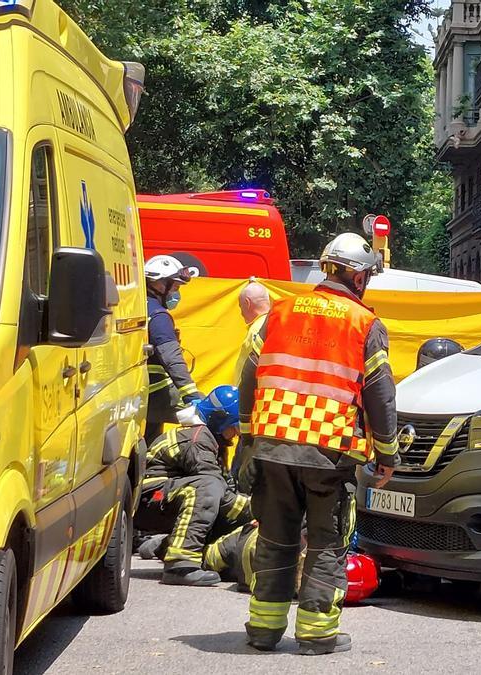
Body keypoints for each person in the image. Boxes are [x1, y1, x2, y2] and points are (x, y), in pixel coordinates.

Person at [243, 232, 399, 655]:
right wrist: (387, 454)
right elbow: (380, 393)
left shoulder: (279, 311)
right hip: (328, 453)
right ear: (358, 276)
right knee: (327, 543)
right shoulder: (363, 322)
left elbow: (248, 376)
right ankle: (315, 634)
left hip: (273, 445)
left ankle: (263, 629)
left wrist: (246, 438)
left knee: (276, 538)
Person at [136, 385, 253, 586]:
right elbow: (216, 492)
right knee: (207, 489)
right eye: (234, 426)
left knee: (220, 507)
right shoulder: (198, 440)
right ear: (220, 420)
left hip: (165, 499)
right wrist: (258, 508)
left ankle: (164, 546)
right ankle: (180, 564)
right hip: (149, 500)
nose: (236, 434)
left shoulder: (211, 440)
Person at [145, 254, 203, 441]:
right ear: (159, 284)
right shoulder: (158, 316)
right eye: (175, 287)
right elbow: (172, 360)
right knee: (210, 415)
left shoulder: (138, 307)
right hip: (156, 392)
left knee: (149, 436)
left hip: (141, 391)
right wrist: (191, 395)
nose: (177, 293)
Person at [232, 280, 272, 481]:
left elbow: (249, 377)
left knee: (243, 471)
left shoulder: (258, 331)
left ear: (247, 303)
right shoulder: (270, 325)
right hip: (263, 415)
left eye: (240, 307)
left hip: (252, 414)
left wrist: (242, 415)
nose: (240, 313)